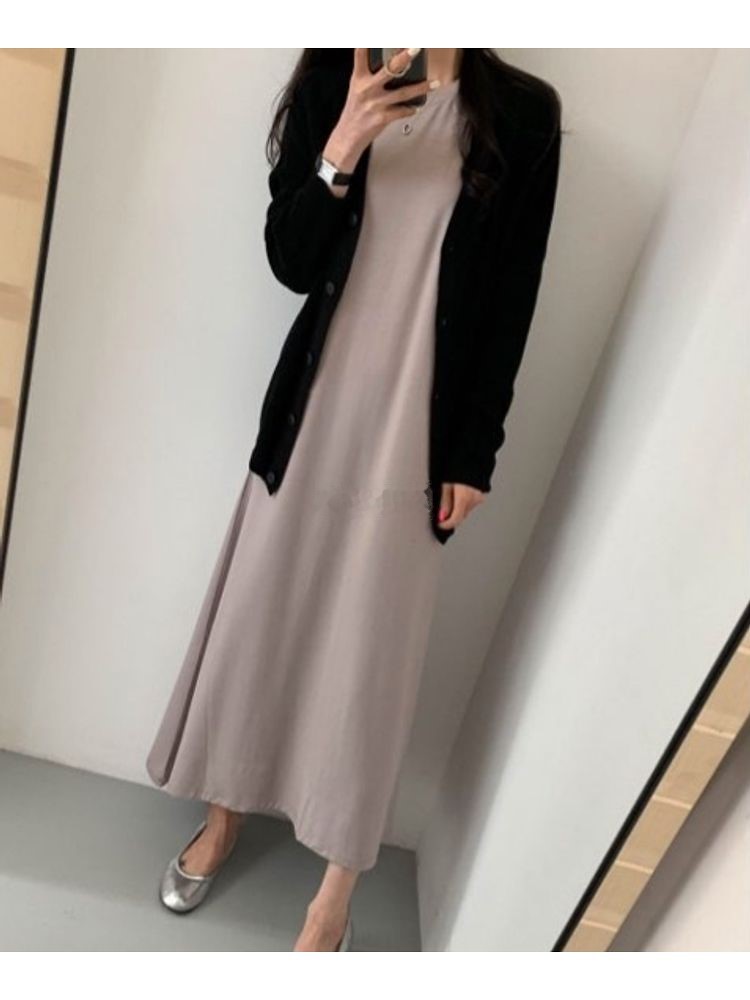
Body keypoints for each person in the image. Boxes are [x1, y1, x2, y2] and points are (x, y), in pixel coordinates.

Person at [145, 47, 562, 951]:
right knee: (262, 616)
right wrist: (343, 144)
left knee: (372, 655)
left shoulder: (524, 115)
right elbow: (290, 260)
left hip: (417, 429)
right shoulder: (337, 70)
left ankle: (333, 898)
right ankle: (224, 815)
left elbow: (512, 302)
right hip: (314, 409)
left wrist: (476, 453)